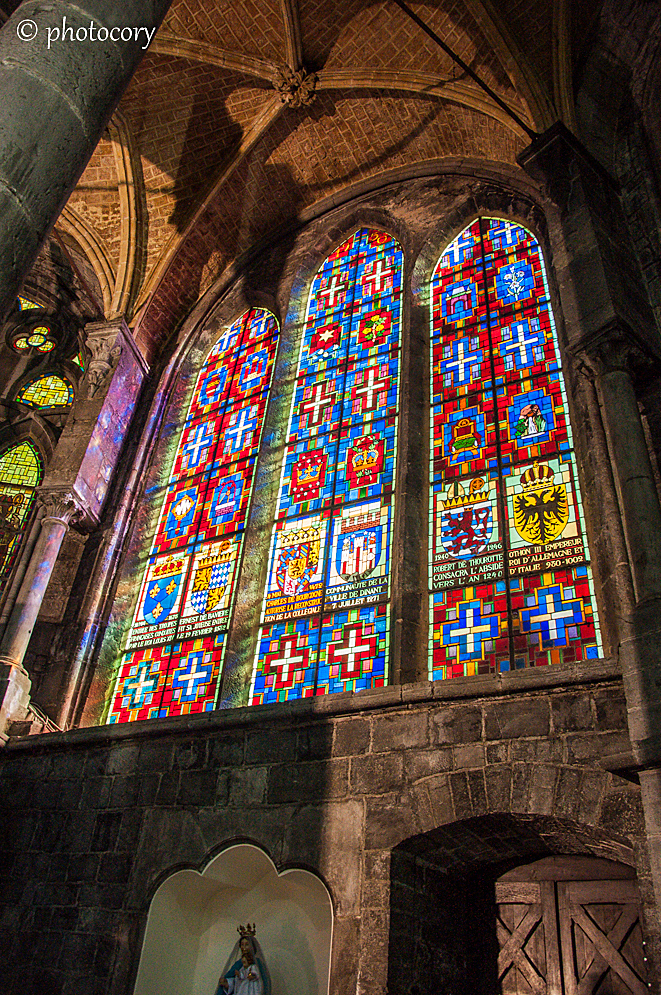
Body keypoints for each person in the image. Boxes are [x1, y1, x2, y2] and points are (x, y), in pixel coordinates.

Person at [216, 927, 271, 995]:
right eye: (242, 945)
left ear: (252, 946)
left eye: (246, 944)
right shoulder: (239, 964)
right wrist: (227, 983)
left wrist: (251, 976)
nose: (244, 948)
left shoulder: (257, 964)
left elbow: (263, 981)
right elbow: (237, 982)